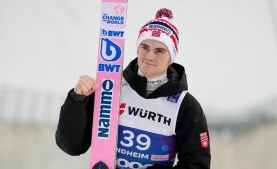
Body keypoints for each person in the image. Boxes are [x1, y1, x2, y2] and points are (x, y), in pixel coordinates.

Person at [56, 8, 211, 169]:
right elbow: (71, 146)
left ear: (171, 57)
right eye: (145, 47)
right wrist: (77, 99)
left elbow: (196, 165)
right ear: (137, 49)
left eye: (159, 51)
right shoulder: (110, 89)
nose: (150, 56)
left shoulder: (185, 106)